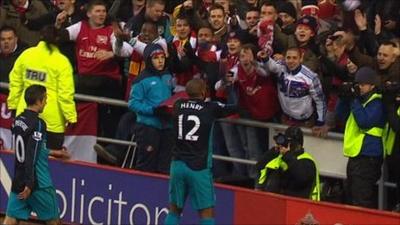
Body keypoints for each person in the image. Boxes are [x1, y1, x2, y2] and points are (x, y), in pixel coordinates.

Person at [164, 78, 236, 225]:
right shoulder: (210, 108)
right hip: (199, 167)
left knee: (174, 210)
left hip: (177, 164)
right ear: (204, 93)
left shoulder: (178, 105)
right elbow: (234, 108)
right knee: (206, 213)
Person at [3, 84, 70, 225]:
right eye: (45, 98)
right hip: (38, 182)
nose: (46, 102)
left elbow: (30, 148)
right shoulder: (39, 124)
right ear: (38, 101)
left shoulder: (17, 120)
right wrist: (30, 183)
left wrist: (55, 152)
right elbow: (31, 154)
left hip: (19, 180)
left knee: (10, 219)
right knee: (54, 221)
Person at [7, 25, 77, 151]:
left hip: (25, 114)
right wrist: (70, 116)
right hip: (52, 122)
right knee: (48, 162)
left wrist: (13, 105)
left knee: (23, 158)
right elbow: (65, 94)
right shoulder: (62, 62)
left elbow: (15, 83)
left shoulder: (26, 55)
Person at [341, 67, 386, 209]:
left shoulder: (377, 103)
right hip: (356, 154)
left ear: (372, 85)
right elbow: (340, 116)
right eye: (357, 84)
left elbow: (365, 122)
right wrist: (344, 98)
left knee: (362, 199)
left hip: (369, 156)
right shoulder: (359, 101)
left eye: (362, 84)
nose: (359, 87)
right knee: (351, 195)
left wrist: (354, 100)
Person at [128, 43, 173, 173]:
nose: (160, 61)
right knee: (146, 164)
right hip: (148, 127)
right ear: (148, 60)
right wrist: (153, 110)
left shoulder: (167, 75)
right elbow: (133, 103)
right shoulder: (141, 80)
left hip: (167, 126)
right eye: (155, 58)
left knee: (165, 166)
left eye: (162, 57)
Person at [255, 126, 320, 201]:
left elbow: (302, 178)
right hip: (275, 201)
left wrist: (287, 155)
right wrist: (274, 150)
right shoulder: (279, 155)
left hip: (297, 204)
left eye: (291, 142)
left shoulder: (307, 160)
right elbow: (259, 166)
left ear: (298, 144)